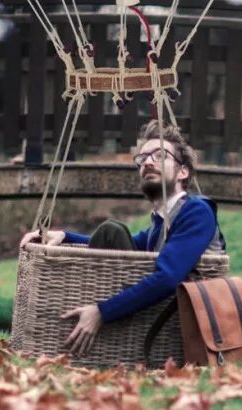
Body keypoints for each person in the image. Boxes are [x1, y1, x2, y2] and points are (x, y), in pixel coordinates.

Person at [19, 120, 224, 357]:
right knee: (111, 232)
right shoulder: (162, 220)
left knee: (112, 230)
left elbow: (169, 278)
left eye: (159, 155)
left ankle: (86, 318)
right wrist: (64, 237)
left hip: (188, 322)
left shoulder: (196, 211)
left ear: (183, 171)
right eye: (142, 159)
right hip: (163, 313)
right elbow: (132, 246)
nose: (147, 162)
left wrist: (102, 311)